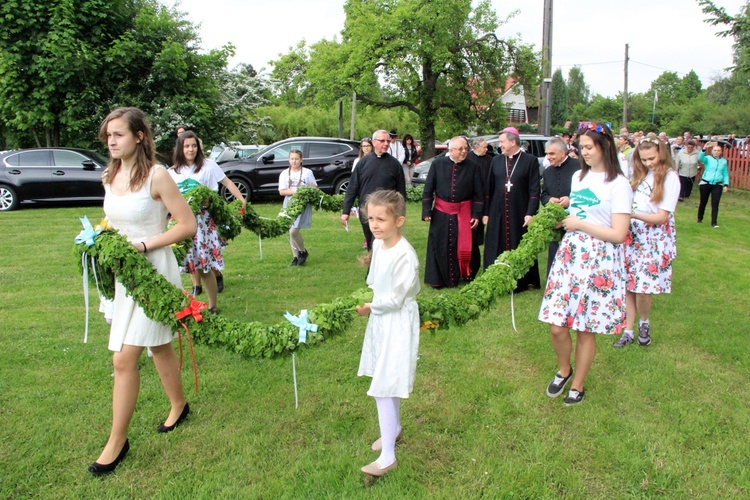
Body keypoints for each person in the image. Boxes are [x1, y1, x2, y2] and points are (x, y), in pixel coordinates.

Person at [89, 107, 197, 475]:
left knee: (123, 358)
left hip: (153, 271)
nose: (111, 141)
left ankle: (117, 441)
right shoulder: (109, 174)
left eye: (118, 134)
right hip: (122, 275)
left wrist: (144, 247)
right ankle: (179, 404)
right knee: (159, 343)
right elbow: (112, 223)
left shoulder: (158, 175)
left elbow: (187, 226)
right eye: (108, 136)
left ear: (139, 136)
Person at [538, 122, 632, 406]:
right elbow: (578, 209)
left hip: (599, 260)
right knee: (556, 324)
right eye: (581, 147)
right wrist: (563, 215)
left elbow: (618, 233)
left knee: (585, 327)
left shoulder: (619, 184)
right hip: (570, 255)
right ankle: (564, 369)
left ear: (605, 146)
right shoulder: (579, 177)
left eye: (588, 147)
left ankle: (578, 384)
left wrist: (581, 224)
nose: (583, 152)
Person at [356, 190, 420, 478]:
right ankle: (392, 429)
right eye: (371, 218)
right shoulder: (380, 245)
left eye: (382, 218)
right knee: (384, 376)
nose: (375, 224)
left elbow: (395, 299)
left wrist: (371, 305)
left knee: (384, 383)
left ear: (399, 220)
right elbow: (374, 280)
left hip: (396, 320)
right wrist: (369, 297)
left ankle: (388, 457)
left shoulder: (405, 255)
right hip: (381, 319)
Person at [169, 131, 246, 314]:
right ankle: (191, 295)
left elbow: (226, 182)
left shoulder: (207, 166)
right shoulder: (172, 172)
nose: (190, 149)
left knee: (204, 266)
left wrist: (241, 200)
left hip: (202, 222)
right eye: (187, 146)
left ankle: (213, 306)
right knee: (188, 263)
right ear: (180, 148)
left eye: (193, 146)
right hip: (181, 221)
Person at [613, 137, 679, 348]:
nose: (649, 163)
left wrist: (633, 215)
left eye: (652, 158)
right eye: (644, 159)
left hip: (654, 238)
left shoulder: (670, 177)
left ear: (661, 153)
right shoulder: (639, 175)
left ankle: (644, 323)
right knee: (628, 286)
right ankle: (628, 330)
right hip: (632, 235)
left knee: (643, 288)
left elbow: (661, 217)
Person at [483, 126, 541, 292]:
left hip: (519, 211)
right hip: (497, 211)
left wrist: (530, 212)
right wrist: (486, 212)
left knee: (520, 243)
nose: (499, 145)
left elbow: (534, 190)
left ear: (513, 141)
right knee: (496, 243)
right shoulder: (496, 160)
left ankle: (522, 280)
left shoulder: (529, 160)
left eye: (502, 141)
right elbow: (489, 189)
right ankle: (494, 278)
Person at [422, 136, 483, 288]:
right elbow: (428, 189)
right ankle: (438, 279)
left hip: (464, 213)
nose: (464, 152)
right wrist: (426, 211)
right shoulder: (438, 164)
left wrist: (476, 214)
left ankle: (465, 273)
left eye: (466, 149)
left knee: (465, 245)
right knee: (440, 243)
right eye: (460, 149)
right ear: (451, 150)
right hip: (441, 212)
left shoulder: (473, 166)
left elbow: (479, 194)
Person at [342, 129, 407, 251]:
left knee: (385, 244)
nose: (386, 143)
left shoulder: (395, 164)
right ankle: (372, 267)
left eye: (388, 141)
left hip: (387, 212)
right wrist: (346, 211)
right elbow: (352, 187)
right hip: (367, 211)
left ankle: (383, 268)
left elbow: (401, 192)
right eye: (382, 140)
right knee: (371, 245)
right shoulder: (363, 163)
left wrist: (400, 213)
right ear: (374, 142)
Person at [540, 138, 581, 280]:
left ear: (563, 152)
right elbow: (544, 195)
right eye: (547, 154)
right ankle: (554, 281)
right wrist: (549, 200)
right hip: (555, 222)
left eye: (552, 154)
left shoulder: (579, 167)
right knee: (554, 251)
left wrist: (570, 200)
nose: (548, 157)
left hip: (576, 221)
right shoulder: (548, 172)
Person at [278, 149, 318, 266]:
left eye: (296, 159)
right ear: (289, 160)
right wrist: (295, 192)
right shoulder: (284, 174)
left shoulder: (307, 172)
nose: (294, 161)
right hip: (290, 203)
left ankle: (302, 251)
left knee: (293, 230)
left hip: (303, 204)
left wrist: (305, 193)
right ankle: (296, 257)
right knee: (291, 230)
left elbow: (314, 187)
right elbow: (282, 191)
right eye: (292, 159)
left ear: (301, 160)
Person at [696, 141, 730, 228]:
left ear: (721, 152)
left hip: (717, 184)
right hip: (705, 183)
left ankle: (714, 222)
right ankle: (700, 218)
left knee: (715, 203)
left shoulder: (724, 161)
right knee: (703, 201)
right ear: (712, 151)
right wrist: (704, 149)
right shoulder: (707, 158)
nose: (717, 152)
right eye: (715, 150)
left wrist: (726, 184)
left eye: (718, 150)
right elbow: (700, 158)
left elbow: (725, 173)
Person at [468, 137, 493, 245]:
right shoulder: (468, 158)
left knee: (482, 217)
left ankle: (479, 240)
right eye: (484, 147)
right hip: (471, 194)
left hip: (485, 193)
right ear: (477, 147)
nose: (486, 149)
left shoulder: (489, 159)